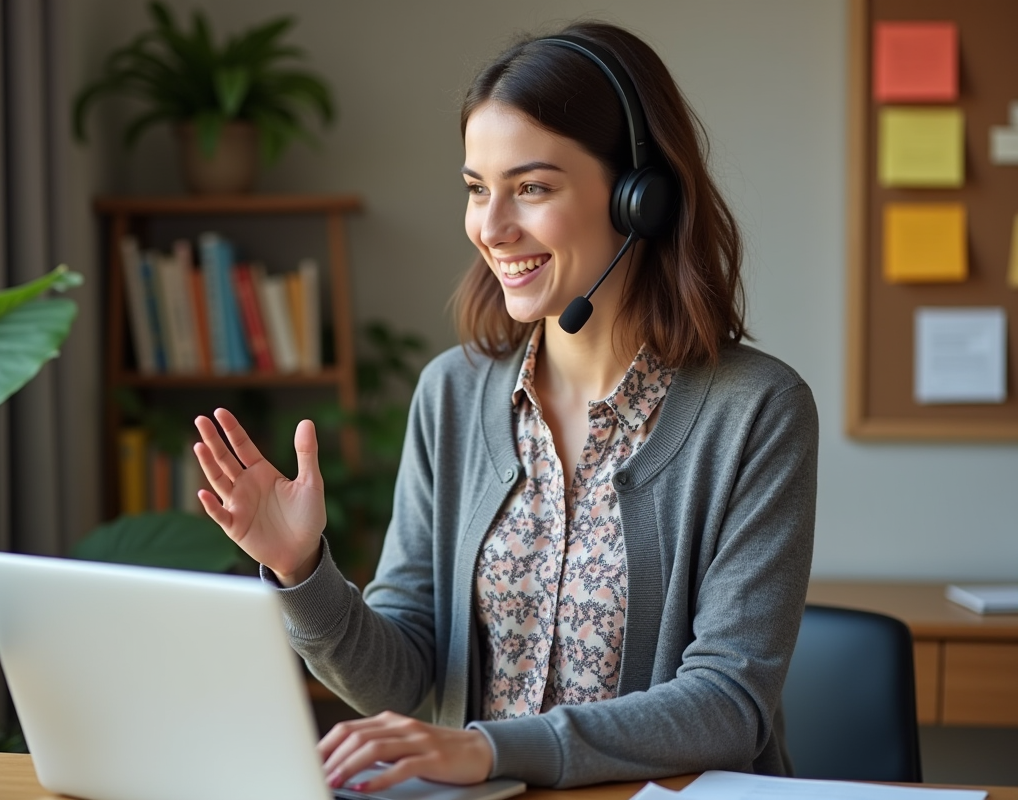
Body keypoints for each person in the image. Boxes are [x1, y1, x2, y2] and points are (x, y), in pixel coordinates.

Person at [193, 20, 818, 794]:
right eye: (477, 190)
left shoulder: (758, 412)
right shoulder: (451, 395)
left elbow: (728, 705)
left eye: (531, 188)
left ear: (639, 199)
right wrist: (299, 571)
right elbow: (405, 679)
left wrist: (493, 749)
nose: (490, 228)